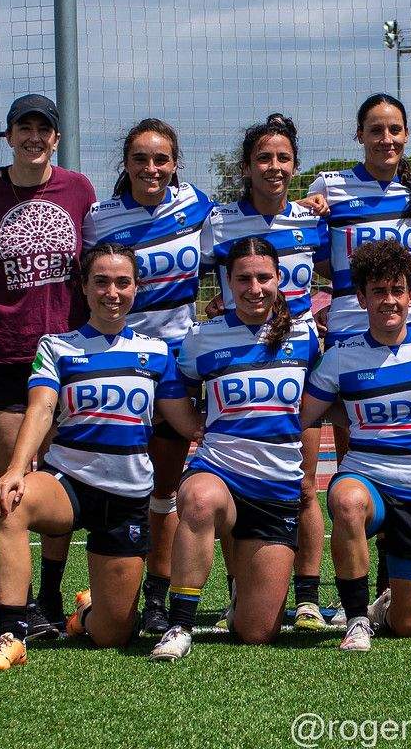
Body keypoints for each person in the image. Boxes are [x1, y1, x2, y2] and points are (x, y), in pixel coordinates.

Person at [0, 244, 198, 670]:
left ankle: (85, 614)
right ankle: (11, 635)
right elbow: (40, 408)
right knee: (10, 503)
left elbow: (183, 420)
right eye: (100, 281)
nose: (111, 292)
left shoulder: (157, 352)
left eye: (122, 282)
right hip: (70, 483)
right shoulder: (57, 346)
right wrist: (16, 470)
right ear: (83, 286)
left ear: (136, 289)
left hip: (129, 497)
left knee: (111, 635)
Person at [0, 92, 97, 636]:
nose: (34, 137)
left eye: (44, 129)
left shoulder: (77, 190)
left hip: (67, 356)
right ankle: (15, 607)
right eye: (24, 128)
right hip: (2, 351)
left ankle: (51, 593)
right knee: (12, 483)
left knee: (57, 477)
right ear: (9, 135)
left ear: (55, 137)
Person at [149, 238, 320, 660]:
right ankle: (180, 624)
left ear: (280, 280)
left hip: (277, 491)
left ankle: (242, 597)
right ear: (227, 283)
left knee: (257, 632)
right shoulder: (202, 338)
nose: (254, 287)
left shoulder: (306, 335)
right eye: (243, 278)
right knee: (199, 500)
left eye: (264, 277)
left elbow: (326, 388)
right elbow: (173, 384)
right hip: (220, 473)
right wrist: (192, 427)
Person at [199, 115, 334, 631]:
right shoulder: (218, 221)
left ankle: (307, 595)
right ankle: (239, 590)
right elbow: (195, 274)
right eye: (263, 158)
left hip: (296, 366)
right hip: (238, 366)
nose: (273, 167)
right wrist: (216, 309)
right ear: (247, 166)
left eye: (283, 158)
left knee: (303, 485)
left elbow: (334, 268)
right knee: (235, 486)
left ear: (295, 165)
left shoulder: (312, 219)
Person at [303, 239, 411, 652]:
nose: (389, 300)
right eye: (378, 291)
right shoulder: (341, 355)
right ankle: (357, 618)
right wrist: (353, 416)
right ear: (361, 297)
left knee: (410, 626)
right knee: (346, 502)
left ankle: (385, 607)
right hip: (367, 475)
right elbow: (307, 413)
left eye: (398, 290)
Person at [86, 119, 215, 634]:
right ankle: (70, 595)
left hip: (177, 364)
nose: (151, 169)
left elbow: (239, 250)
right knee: (112, 481)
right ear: (126, 164)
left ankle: (158, 595)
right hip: (120, 362)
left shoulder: (199, 206)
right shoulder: (98, 219)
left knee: (165, 488)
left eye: (161, 159)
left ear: (176, 163)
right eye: (141, 159)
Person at [308, 94, 411, 349]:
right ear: (360, 135)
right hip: (349, 327)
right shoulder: (330, 186)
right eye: (376, 130)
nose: (387, 139)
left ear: (406, 134)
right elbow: (317, 259)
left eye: (395, 130)